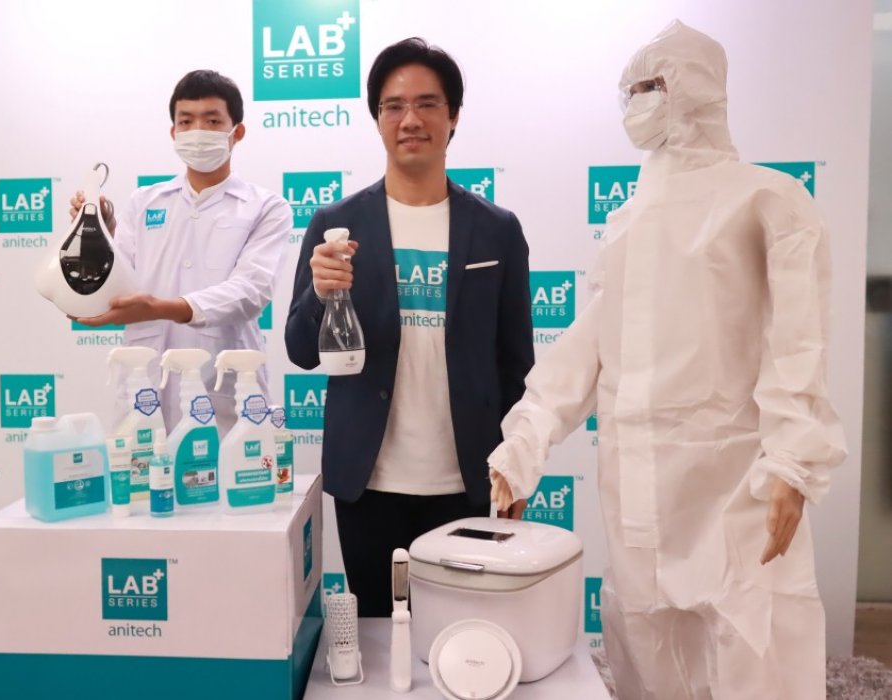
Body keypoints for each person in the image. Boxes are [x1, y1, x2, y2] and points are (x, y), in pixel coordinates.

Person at [489, 21, 846, 699]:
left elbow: (798, 344)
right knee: (647, 650)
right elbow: (588, 347)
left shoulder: (768, 199)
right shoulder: (628, 221)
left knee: (750, 645)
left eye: (652, 85)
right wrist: (524, 443)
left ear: (698, 86)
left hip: (734, 482)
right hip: (638, 486)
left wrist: (792, 462)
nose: (637, 103)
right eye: (629, 91)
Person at [285, 38, 535, 617]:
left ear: (454, 116)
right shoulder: (336, 224)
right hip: (367, 481)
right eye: (393, 106)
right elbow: (300, 350)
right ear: (377, 119)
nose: (411, 120)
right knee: (378, 633)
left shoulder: (496, 230)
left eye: (427, 104)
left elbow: (515, 364)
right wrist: (319, 294)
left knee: (461, 638)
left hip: (465, 481)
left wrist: (519, 463)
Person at [70, 70, 292, 431]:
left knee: (226, 464)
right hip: (144, 385)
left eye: (212, 121)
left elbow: (251, 291)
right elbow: (117, 280)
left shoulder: (266, 207)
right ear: (174, 133)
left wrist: (161, 308)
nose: (197, 131)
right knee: (141, 461)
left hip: (224, 389)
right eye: (186, 121)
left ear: (237, 132)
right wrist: (99, 230)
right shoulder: (144, 202)